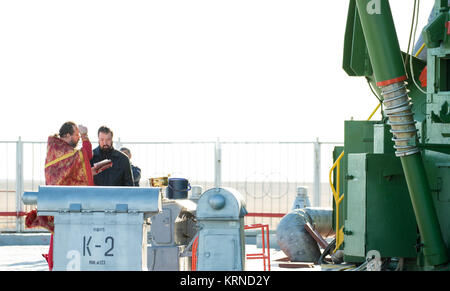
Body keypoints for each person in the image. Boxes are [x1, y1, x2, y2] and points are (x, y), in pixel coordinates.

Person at [25, 122, 111, 271]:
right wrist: (85, 136)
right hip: (61, 204)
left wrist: (90, 172)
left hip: (63, 202)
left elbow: (71, 176)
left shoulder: (60, 151)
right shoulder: (62, 152)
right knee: (60, 240)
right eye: (76, 134)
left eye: (79, 135)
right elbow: (86, 154)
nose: (78, 137)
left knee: (64, 240)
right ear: (67, 136)